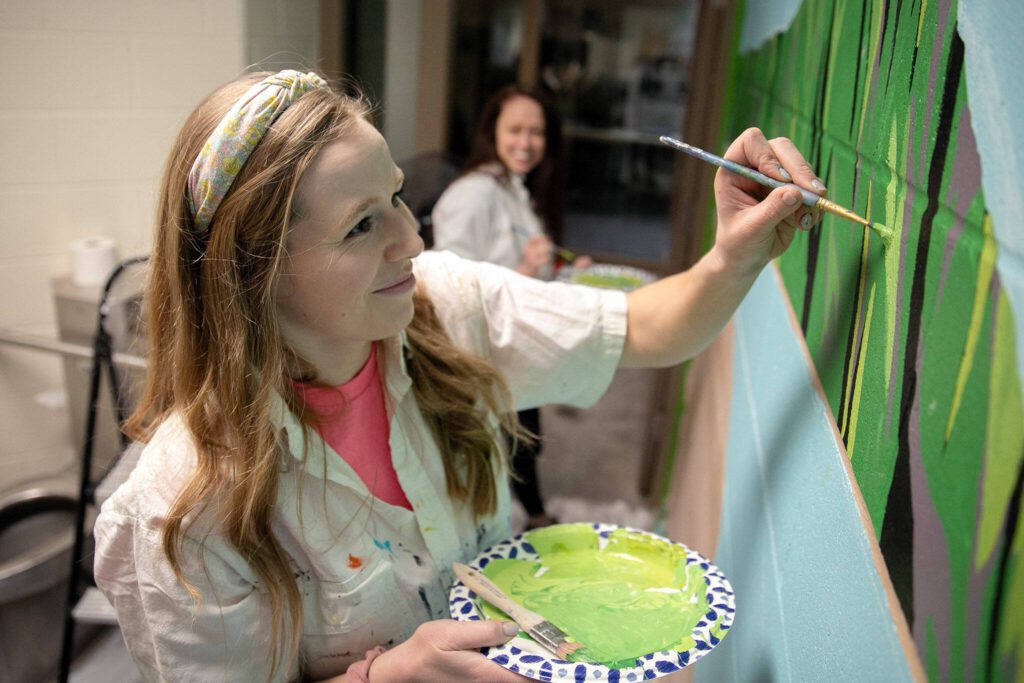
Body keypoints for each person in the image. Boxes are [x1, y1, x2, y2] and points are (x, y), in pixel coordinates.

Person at [92, 69, 824, 682]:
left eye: (398, 198)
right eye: (361, 225)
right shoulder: (179, 513)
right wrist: (385, 675)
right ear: (254, 273)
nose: (412, 239)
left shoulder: (443, 306)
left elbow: (650, 327)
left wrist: (737, 251)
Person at [431, 85, 586, 529]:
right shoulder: (473, 193)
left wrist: (558, 263)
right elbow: (449, 287)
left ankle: (533, 516)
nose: (526, 142)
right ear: (491, 132)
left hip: (512, 342)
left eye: (536, 132)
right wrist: (523, 267)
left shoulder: (513, 187)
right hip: (480, 351)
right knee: (491, 449)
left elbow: (513, 259)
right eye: (515, 129)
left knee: (524, 437)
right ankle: (527, 522)